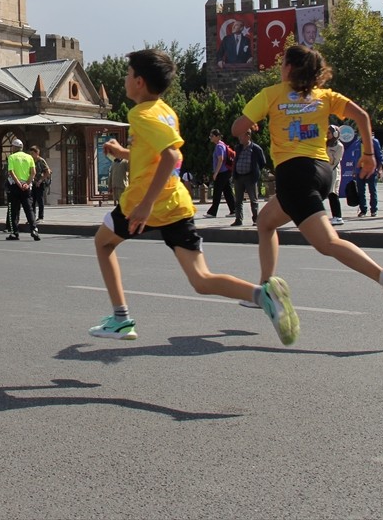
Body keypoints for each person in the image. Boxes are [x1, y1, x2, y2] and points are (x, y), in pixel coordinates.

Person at [89, 49, 300, 345]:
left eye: (127, 74)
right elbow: (162, 156)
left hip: (144, 204)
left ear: (139, 81)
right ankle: (262, 295)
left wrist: (146, 205)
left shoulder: (140, 113)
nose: (124, 79)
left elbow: (171, 155)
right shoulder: (165, 110)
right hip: (177, 204)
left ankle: (121, 318)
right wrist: (124, 153)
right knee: (201, 279)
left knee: (102, 243)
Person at [234, 44, 383, 320]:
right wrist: (368, 154)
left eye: (283, 63)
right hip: (321, 170)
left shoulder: (271, 95)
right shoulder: (325, 96)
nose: (280, 68)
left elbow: (237, 128)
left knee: (326, 242)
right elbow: (362, 117)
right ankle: (267, 287)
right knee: (266, 222)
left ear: (290, 68)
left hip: (293, 174)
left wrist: (252, 124)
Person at [231, 126, 267, 227]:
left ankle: (256, 219)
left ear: (248, 135)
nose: (239, 138)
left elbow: (262, 162)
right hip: (239, 177)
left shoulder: (255, 148)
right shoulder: (238, 148)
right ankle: (238, 219)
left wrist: (255, 170)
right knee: (238, 200)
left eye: (241, 136)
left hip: (250, 177)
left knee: (253, 200)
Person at [5, 138, 40, 241]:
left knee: (13, 210)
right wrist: (27, 183)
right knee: (29, 209)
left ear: (15, 147)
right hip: (27, 186)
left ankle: (14, 233)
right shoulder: (29, 157)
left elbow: (11, 172)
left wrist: (19, 183)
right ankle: (34, 229)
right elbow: (33, 172)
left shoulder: (11, 157)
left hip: (14, 186)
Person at [350, 129, 382, 218]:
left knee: (372, 190)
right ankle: (363, 210)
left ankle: (374, 210)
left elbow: (379, 156)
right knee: (361, 191)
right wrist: (354, 169)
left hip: (371, 170)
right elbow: (355, 158)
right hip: (360, 170)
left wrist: (379, 169)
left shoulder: (374, 142)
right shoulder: (357, 143)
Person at [204, 129, 236, 218]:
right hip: (226, 172)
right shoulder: (222, 145)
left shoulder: (219, 146)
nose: (210, 138)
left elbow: (220, 159)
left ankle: (212, 212)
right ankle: (234, 210)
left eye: (212, 136)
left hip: (222, 172)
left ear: (217, 136)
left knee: (217, 192)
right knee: (227, 191)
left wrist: (216, 173)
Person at [325, 125, 345, 225]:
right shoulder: (325, 144)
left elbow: (334, 161)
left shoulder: (339, 146)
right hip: (325, 170)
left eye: (329, 133)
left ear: (335, 134)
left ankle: (338, 216)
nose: (327, 135)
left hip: (333, 171)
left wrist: (327, 151)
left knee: (333, 193)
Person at [30, 145, 52, 222]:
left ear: (37, 153)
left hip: (40, 183)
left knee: (40, 200)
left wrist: (40, 180)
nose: (31, 155)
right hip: (33, 183)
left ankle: (40, 217)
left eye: (33, 153)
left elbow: (47, 172)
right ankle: (32, 217)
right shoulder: (31, 161)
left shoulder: (41, 161)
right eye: (31, 153)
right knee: (32, 201)